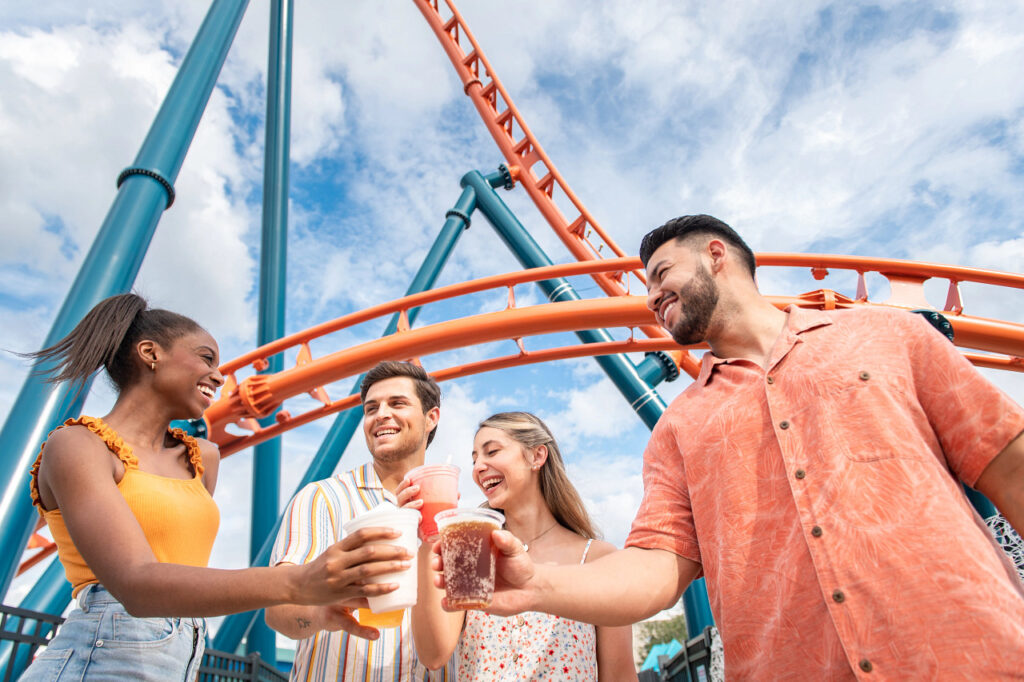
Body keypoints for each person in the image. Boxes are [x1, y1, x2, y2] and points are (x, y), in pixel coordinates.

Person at [437, 215, 1024, 679]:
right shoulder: (679, 427)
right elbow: (656, 570)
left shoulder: (888, 334)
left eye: (661, 274)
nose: (650, 297)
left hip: (975, 654)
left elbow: (1010, 467)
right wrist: (536, 584)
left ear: (716, 255)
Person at [21, 294, 409, 681]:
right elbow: (135, 584)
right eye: (207, 359)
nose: (220, 376)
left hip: (183, 656)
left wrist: (315, 609)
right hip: (99, 656)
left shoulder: (202, 458)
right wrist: (296, 582)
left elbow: (181, 577)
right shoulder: (77, 445)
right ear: (150, 353)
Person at [401, 411, 637, 680]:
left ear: (537, 456)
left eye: (492, 451)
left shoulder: (599, 559)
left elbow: (620, 674)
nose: (477, 467)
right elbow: (433, 656)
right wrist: (427, 533)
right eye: (475, 458)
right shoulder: (473, 556)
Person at [265, 361, 455, 681]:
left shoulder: (456, 517)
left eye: (397, 403)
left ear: (431, 418)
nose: (380, 414)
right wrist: (319, 612)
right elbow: (278, 612)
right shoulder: (321, 499)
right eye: (371, 408)